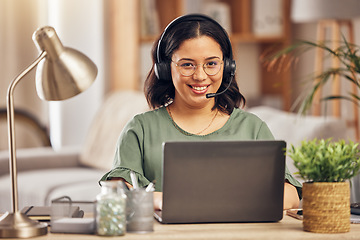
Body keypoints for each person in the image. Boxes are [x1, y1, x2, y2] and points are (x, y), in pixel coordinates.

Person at [100, 14, 302, 210]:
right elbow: (117, 192)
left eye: (211, 64)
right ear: (164, 69)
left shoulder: (252, 127)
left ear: (228, 67)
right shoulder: (140, 129)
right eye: (187, 64)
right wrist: (161, 200)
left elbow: (291, 195)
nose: (200, 75)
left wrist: (218, 204)